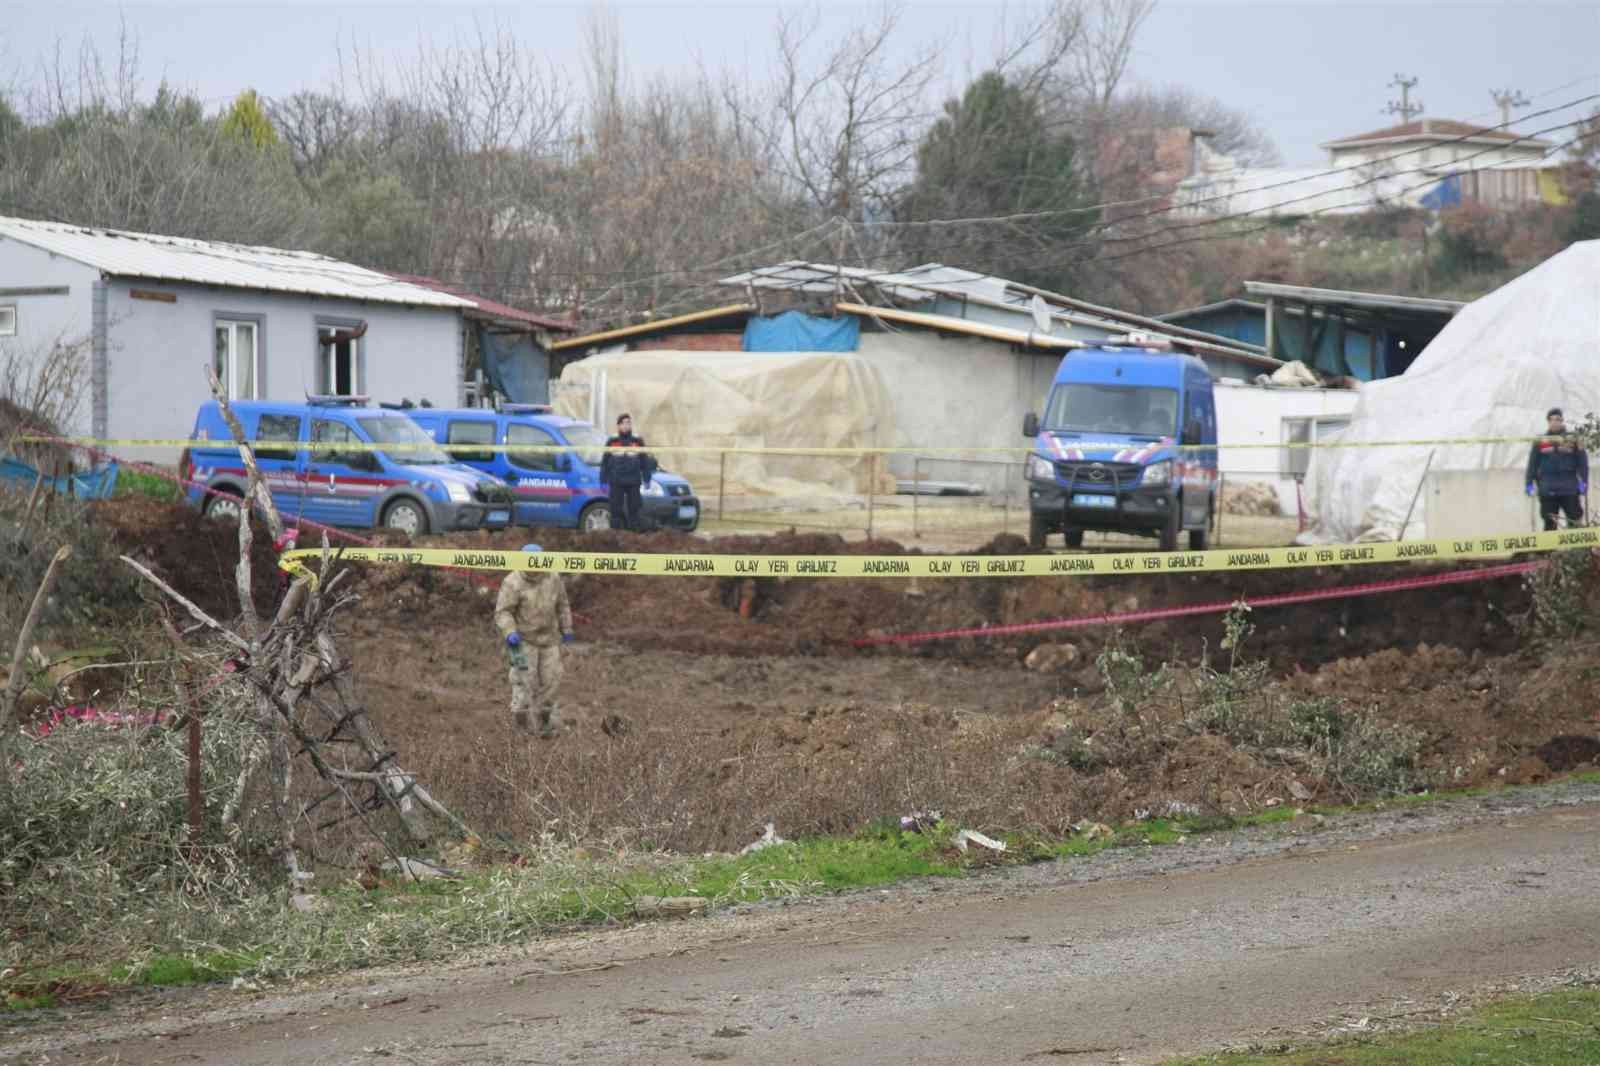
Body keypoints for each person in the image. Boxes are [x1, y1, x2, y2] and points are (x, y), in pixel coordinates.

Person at [494, 544, 574, 738]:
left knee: (551, 682)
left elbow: (563, 604)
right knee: (522, 683)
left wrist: (567, 628)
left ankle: (545, 724)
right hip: (523, 641)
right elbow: (503, 611)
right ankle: (521, 727)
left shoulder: (553, 578)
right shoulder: (513, 582)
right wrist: (509, 631)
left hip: (550, 640)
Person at [1525, 407, 1588, 531]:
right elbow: (1532, 464)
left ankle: (1576, 550)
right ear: (1548, 421)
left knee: (1575, 520)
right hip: (1548, 490)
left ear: (1562, 421)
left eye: (1558, 419)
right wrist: (1529, 483)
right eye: (1552, 419)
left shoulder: (1573, 439)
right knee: (1550, 523)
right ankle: (1550, 550)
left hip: (1569, 489)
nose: (1555, 422)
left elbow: (1582, 462)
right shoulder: (1541, 441)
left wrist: (1584, 482)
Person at [599, 413, 656, 532]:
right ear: (618, 426)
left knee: (635, 510)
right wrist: (603, 481)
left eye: (628, 423)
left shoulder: (637, 440)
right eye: (623, 423)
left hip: (633, 481)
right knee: (615, 511)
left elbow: (644, 461)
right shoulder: (612, 440)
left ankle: (633, 537)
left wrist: (647, 478)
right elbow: (605, 462)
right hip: (616, 481)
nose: (626, 426)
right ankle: (616, 537)